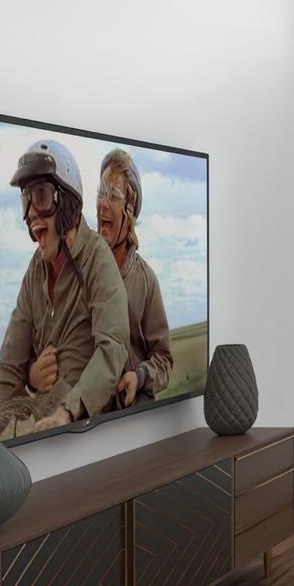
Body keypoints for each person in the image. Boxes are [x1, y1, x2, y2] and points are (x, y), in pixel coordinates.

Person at [0, 139, 128, 429]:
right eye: (26, 200)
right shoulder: (35, 271)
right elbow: (9, 365)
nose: (31, 213)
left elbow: (112, 348)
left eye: (40, 196)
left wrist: (66, 413)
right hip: (42, 436)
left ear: (66, 201)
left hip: (87, 434)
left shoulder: (97, 259)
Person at [95, 147, 173, 409]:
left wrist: (139, 377)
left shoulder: (146, 281)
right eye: (101, 193)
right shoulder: (80, 273)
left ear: (130, 209)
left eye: (113, 195)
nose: (103, 204)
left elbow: (163, 361)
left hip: (135, 423)